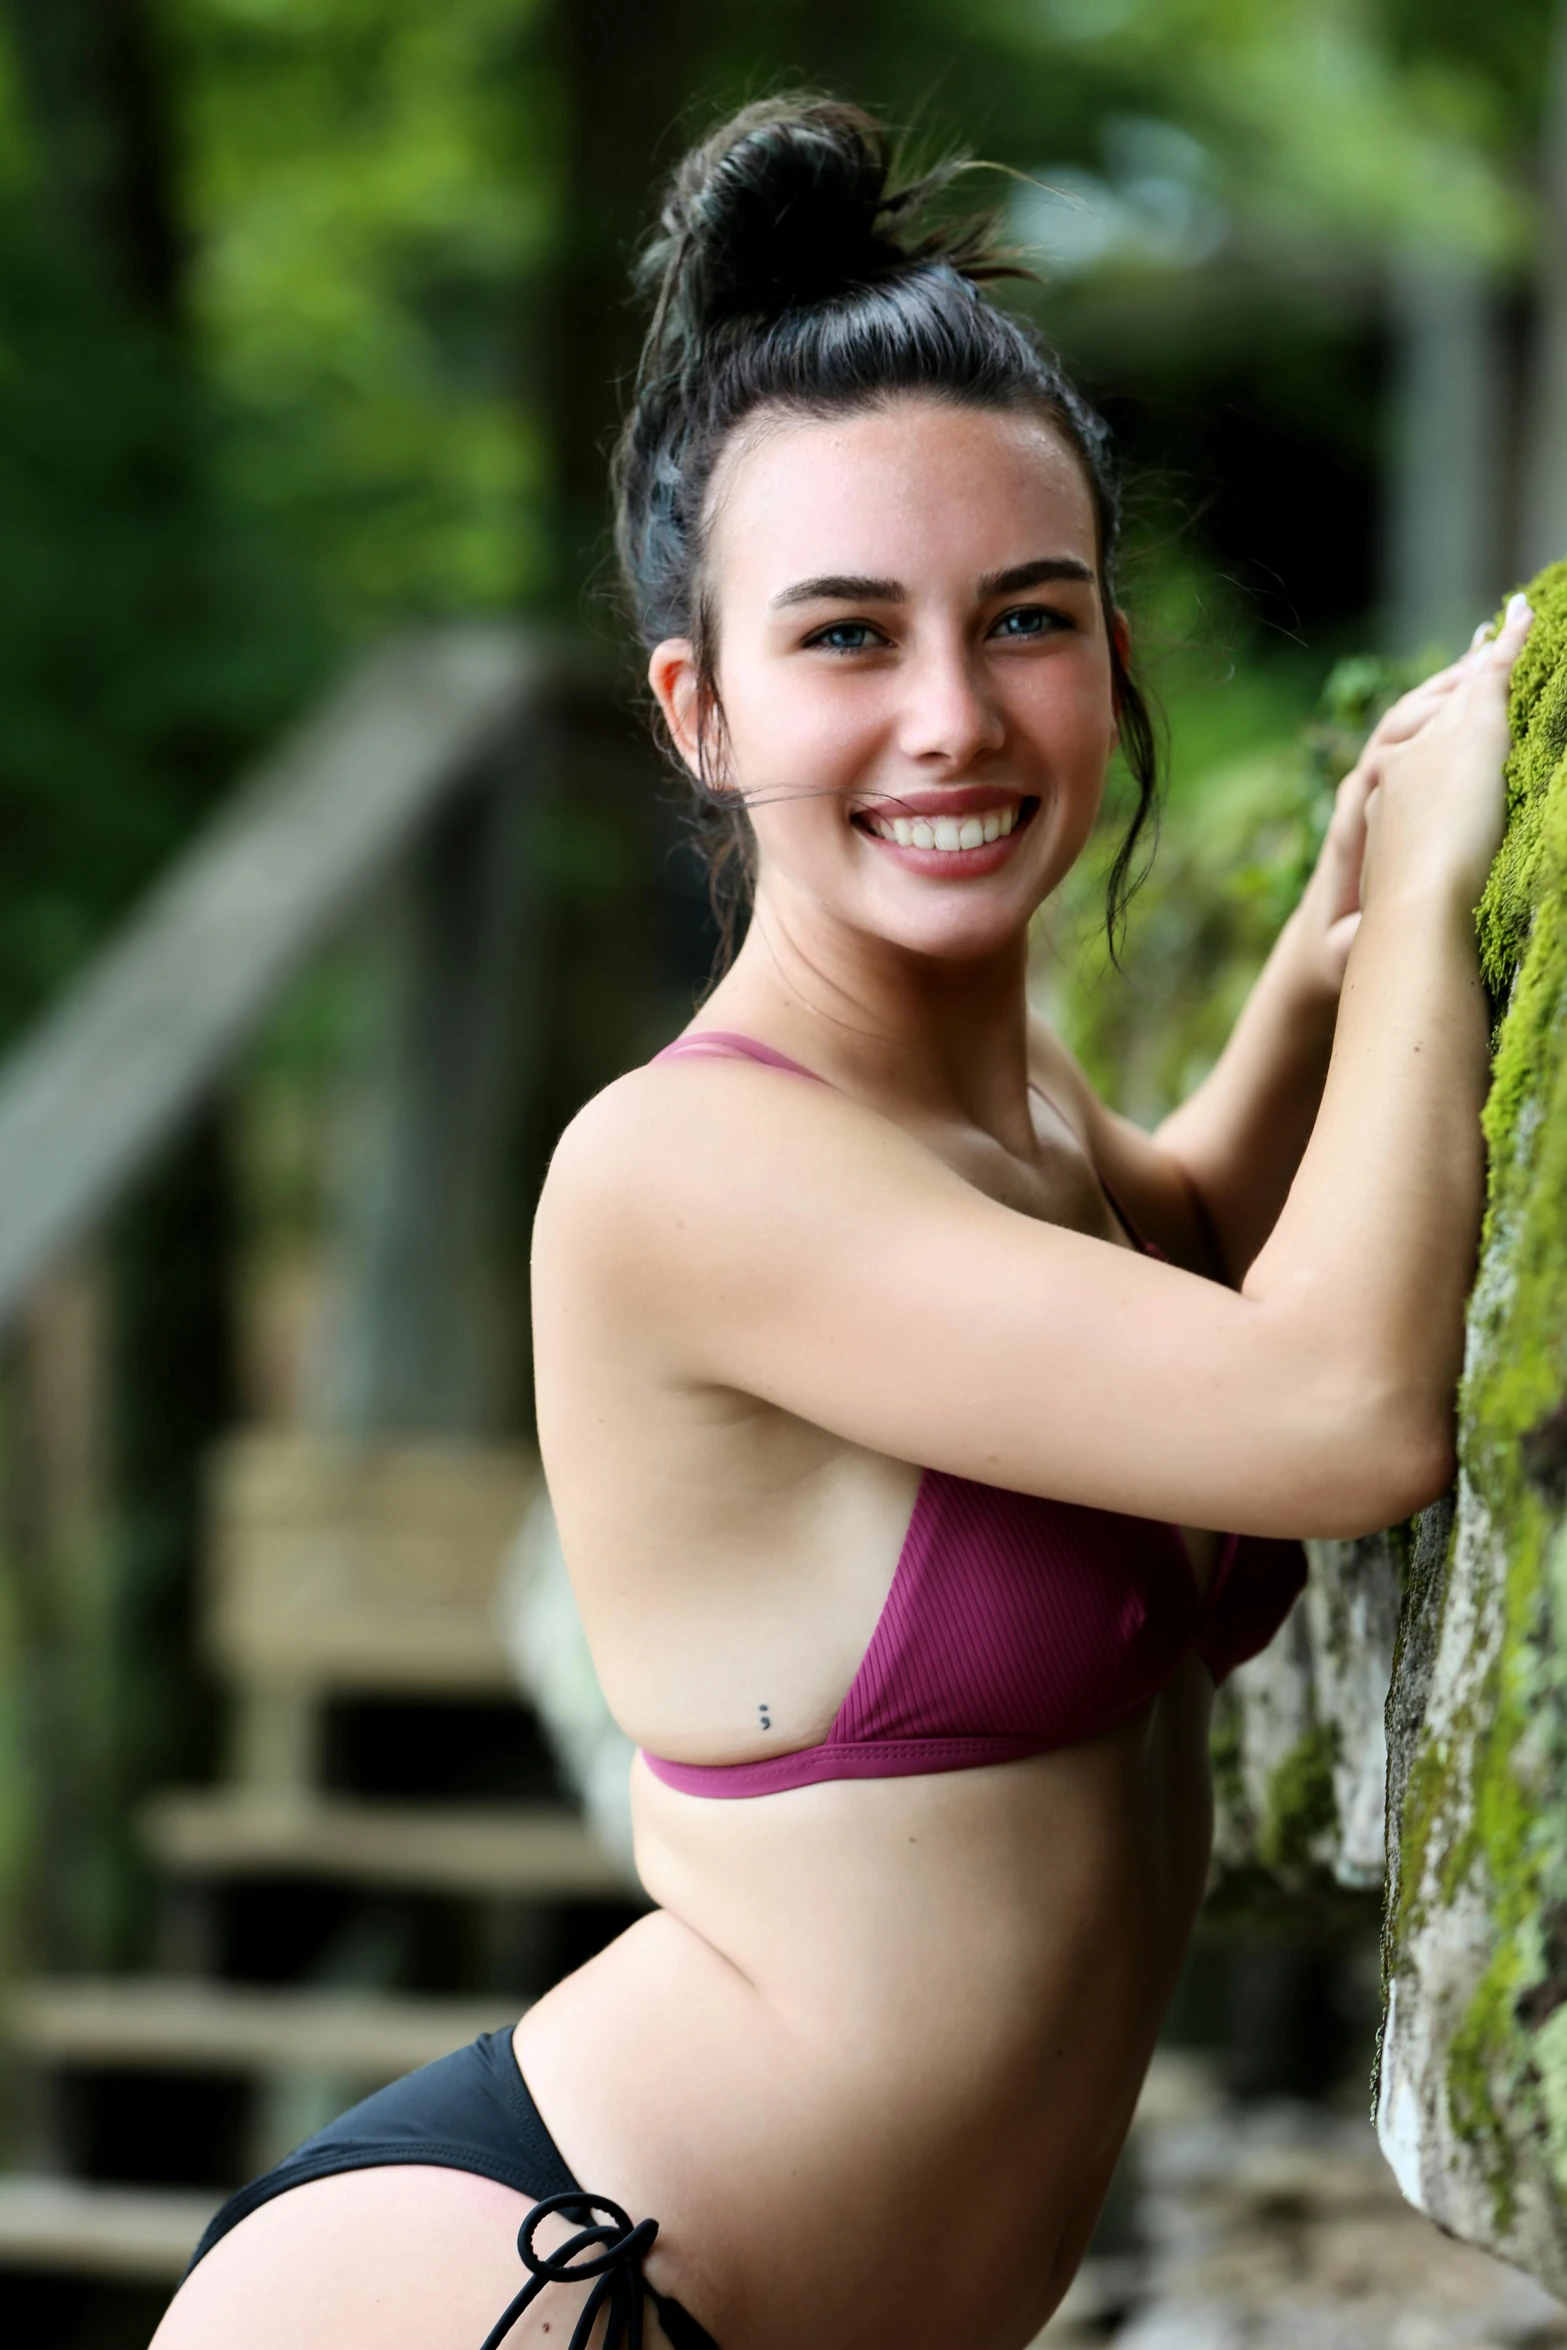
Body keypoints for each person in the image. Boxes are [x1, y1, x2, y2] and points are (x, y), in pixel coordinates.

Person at [152, 96, 1531, 2350]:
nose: (952, 715)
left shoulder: (1005, 1107)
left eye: (1025, 618)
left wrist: (1313, 960)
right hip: (521, 2296)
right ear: (701, 705)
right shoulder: (687, 1169)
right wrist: (1440, 901)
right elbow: (1337, 1403)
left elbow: (1178, 1248)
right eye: (845, 636)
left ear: (1108, 643)